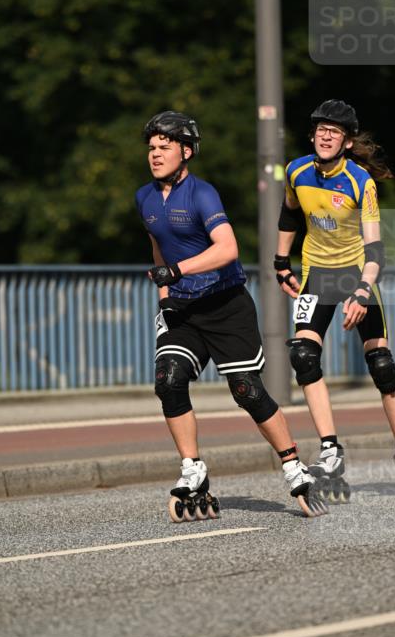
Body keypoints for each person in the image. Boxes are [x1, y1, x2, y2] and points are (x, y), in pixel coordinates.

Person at [135, 110, 326, 521]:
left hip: (225, 306)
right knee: (168, 380)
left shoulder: (203, 194)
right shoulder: (145, 197)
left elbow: (228, 249)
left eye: (164, 147)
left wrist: (178, 271)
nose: (154, 154)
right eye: (151, 148)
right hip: (183, 309)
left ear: (185, 152)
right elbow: (158, 248)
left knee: (246, 391)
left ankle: (293, 464)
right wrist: (166, 294)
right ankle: (192, 469)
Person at [274, 99, 395, 501]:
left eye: (336, 131)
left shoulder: (360, 181)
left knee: (381, 364)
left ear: (346, 142)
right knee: (303, 356)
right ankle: (330, 450)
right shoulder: (295, 171)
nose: (326, 135)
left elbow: (375, 248)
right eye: (320, 128)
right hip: (316, 274)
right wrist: (281, 262)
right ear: (312, 135)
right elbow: (290, 214)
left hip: (355, 273)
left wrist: (363, 291)